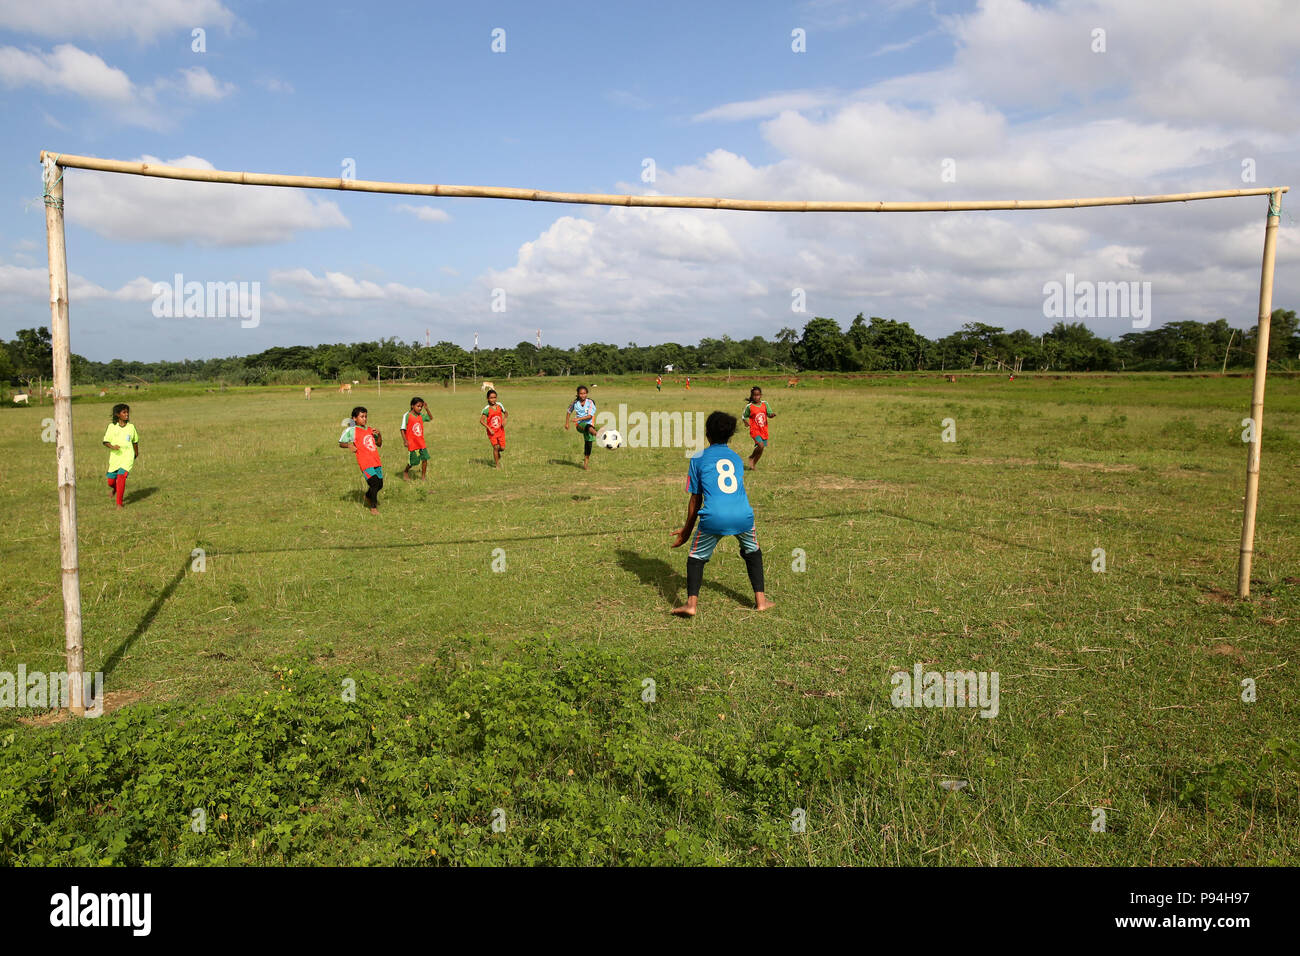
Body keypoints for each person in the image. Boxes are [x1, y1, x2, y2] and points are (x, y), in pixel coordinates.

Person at [670, 411, 773, 616]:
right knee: (752, 552)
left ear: (707, 434)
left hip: (714, 517)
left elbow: (695, 499)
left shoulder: (698, 458)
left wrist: (687, 530)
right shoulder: (735, 458)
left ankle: (691, 605)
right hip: (743, 514)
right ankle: (761, 600)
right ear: (730, 436)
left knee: (696, 557)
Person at [339, 406, 383, 514]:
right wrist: (349, 446)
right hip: (365, 462)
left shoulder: (370, 430)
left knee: (380, 484)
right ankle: (373, 507)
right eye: (361, 416)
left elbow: (379, 444)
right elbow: (341, 443)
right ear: (354, 418)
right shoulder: (351, 430)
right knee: (374, 483)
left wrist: (379, 434)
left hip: (376, 460)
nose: (364, 419)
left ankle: (368, 496)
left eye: (366, 416)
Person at [102, 403, 139, 509]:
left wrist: (136, 453)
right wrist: (112, 447)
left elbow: (135, 441)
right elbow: (105, 441)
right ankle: (115, 489)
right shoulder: (112, 427)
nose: (127, 414)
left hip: (127, 457)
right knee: (111, 481)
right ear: (118, 414)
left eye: (127, 412)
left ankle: (119, 503)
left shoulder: (131, 427)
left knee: (121, 478)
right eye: (124, 412)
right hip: (115, 458)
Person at [564, 385, 598, 469]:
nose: (583, 395)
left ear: (587, 394)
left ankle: (585, 464)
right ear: (578, 394)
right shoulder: (574, 403)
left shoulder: (590, 402)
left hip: (589, 426)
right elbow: (568, 412)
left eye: (584, 393)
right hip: (579, 425)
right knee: (587, 426)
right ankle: (598, 434)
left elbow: (590, 416)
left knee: (588, 444)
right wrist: (567, 423)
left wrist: (579, 418)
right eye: (581, 394)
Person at [742, 386, 776, 469]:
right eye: (754, 395)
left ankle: (753, 464)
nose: (756, 397)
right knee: (760, 445)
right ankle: (751, 457)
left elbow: (769, 413)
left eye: (758, 395)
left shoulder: (765, 404)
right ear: (751, 396)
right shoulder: (749, 406)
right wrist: (746, 422)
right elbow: (744, 416)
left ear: (761, 395)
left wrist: (771, 415)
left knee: (762, 448)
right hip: (755, 430)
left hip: (763, 430)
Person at [401, 396, 432, 481]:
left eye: (421, 407)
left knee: (425, 459)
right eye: (418, 406)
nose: (420, 408)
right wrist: (405, 441)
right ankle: (406, 471)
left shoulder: (421, 415)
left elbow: (430, 418)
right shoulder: (407, 415)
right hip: (412, 443)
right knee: (413, 462)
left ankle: (423, 477)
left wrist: (427, 409)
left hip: (421, 442)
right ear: (412, 406)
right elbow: (402, 429)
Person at [480, 389, 508, 468]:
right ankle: (497, 465)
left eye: (495, 397)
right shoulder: (486, 409)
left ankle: (497, 452)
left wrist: (505, 419)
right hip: (492, 432)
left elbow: (506, 412)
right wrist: (489, 428)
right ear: (487, 398)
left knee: (502, 448)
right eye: (491, 398)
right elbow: (481, 421)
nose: (493, 399)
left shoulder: (499, 405)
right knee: (495, 447)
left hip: (501, 431)